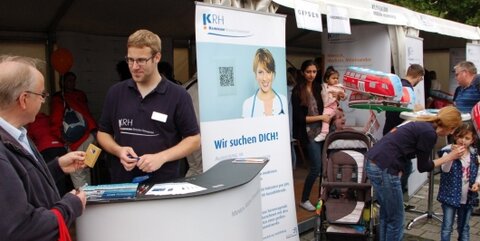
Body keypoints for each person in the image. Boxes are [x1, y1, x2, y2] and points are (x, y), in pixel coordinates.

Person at [97, 29, 200, 184]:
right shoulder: (116, 93)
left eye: (141, 60)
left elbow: (194, 139)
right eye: (130, 60)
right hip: (123, 184)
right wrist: (118, 151)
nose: (134, 67)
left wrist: (161, 157)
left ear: (156, 57)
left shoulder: (178, 95)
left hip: (163, 184)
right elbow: (103, 133)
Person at [0, 55, 86, 240]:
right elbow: (21, 229)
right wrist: (70, 205)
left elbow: (22, 183)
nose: (43, 101)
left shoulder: (17, 134)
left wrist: (57, 167)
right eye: (41, 95)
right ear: (23, 99)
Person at [366, 106, 464, 241]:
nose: (452, 133)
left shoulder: (424, 124)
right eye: (454, 129)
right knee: (397, 219)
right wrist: (449, 157)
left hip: (375, 162)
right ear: (450, 126)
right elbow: (424, 167)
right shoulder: (429, 133)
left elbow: (400, 145)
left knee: (387, 214)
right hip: (385, 167)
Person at [382, 64, 425, 207]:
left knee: (399, 168)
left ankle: (395, 201)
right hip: (399, 136)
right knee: (404, 168)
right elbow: (406, 113)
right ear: (419, 76)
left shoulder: (397, 85)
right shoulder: (407, 89)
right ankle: (396, 202)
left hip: (390, 132)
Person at [292, 60, 331, 211]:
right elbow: (299, 118)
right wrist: (321, 118)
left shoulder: (318, 88)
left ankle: (322, 197)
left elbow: (327, 105)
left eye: (314, 71)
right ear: (303, 72)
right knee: (316, 167)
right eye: (308, 71)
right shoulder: (297, 91)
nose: (311, 74)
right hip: (308, 134)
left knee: (323, 167)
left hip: (323, 131)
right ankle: (304, 199)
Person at [50, 71, 97, 188]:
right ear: (62, 82)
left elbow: (55, 121)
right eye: (69, 80)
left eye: (73, 80)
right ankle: (89, 196)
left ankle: (84, 201)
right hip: (92, 135)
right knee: (86, 168)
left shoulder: (59, 98)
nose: (72, 83)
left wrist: (62, 139)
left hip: (78, 140)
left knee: (78, 171)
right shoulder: (79, 95)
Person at [437, 122, 479, 241]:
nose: (463, 141)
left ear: (472, 140)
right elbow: (444, 169)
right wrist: (452, 156)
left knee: (464, 227)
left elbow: (478, 171)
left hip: (468, 197)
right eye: (460, 137)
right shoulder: (447, 151)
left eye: (467, 138)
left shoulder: (474, 154)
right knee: (447, 227)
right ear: (455, 136)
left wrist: (477, 183)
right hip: (450, 195)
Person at [27, 112, 72, 195]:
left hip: (45, 149)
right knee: (63, 175)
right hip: (60, 147)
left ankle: (56, 197)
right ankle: (66, 195)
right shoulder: (49, 118)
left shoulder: (32, 122)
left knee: (51, 174)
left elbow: (30, 139)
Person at [242, 48, 287, 118]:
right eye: (260, 72)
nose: (264, 78)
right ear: (255, 75)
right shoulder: (248, 104)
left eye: (268, 72)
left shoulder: (283, 101)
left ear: (273, 74)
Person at [314, 66, 345, 142]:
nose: (336, 80)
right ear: (327, 79)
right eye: (333, 78)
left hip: (332, 107)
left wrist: (341, 95)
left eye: (337, 78)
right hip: (326, 105)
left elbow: (344, 96)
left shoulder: (338, 87)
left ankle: (324, 133)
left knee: (326, 117)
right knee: (326, 117)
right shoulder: (324, 86)